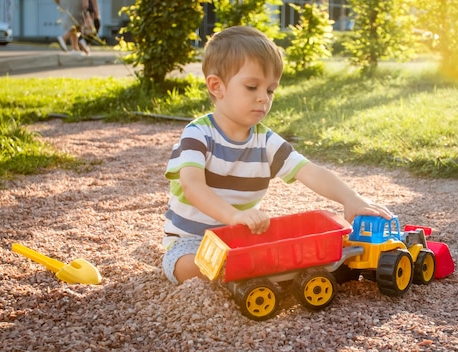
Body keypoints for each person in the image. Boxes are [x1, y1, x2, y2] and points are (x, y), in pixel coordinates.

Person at [161, 26, 394, 285]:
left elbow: (310, 171)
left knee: (285, 255)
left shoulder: (266, 141)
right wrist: (234, 216)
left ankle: (248, 273)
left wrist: (351, 198)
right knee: (192, 268)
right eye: (252, 87)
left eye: (270, 90)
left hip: (244, 239)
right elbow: (192, 186)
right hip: (192, 241)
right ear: (217, 86)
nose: (263, 98)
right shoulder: (198, 134)